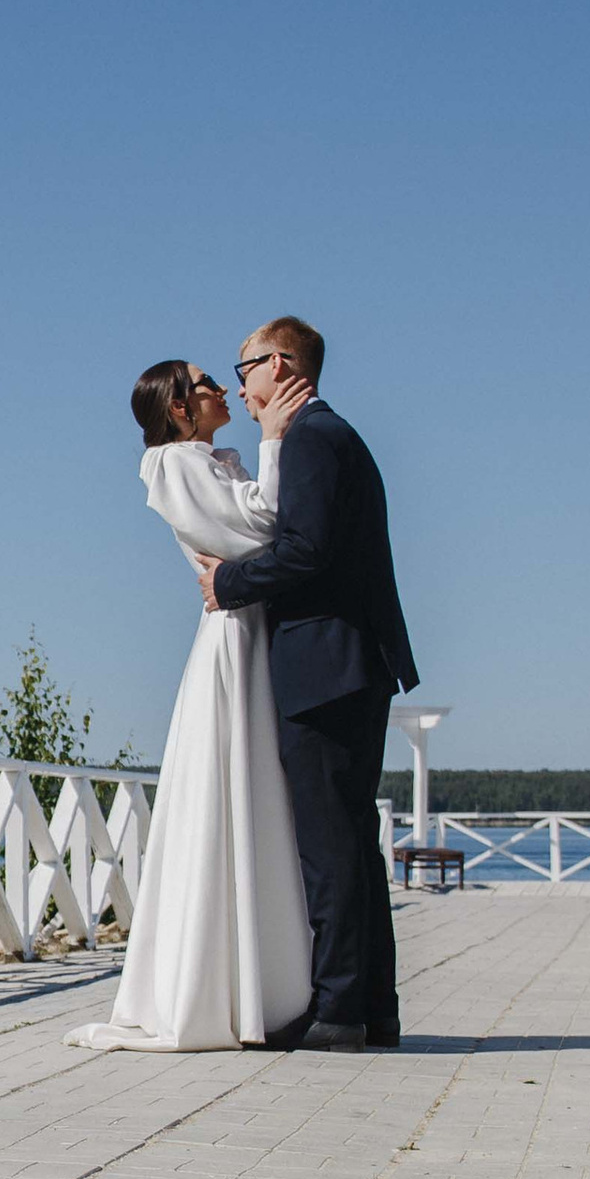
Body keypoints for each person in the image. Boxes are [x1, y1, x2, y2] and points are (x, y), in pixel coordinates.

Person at [64, 359, 312, 1052]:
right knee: (231, 797)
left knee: (253, 802)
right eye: (207, 384)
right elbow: (264, 528)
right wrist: (275, 439)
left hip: (250, 625)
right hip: (234, 634)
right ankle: (226, 989)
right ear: (179, 408)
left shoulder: (208, 462)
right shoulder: (174, 465)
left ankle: (263, 985)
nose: (223, 391)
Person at [191, 316, 417, 1050]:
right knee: (352, 842)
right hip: (350, 662)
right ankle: (372, 1007)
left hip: (326, 664)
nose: (240, 386)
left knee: (329, 846)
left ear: (281, 365)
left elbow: (305, 549)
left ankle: (340, 1010)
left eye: (245, 368)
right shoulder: (327, 434)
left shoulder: (312, 438)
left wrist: (228, 583)